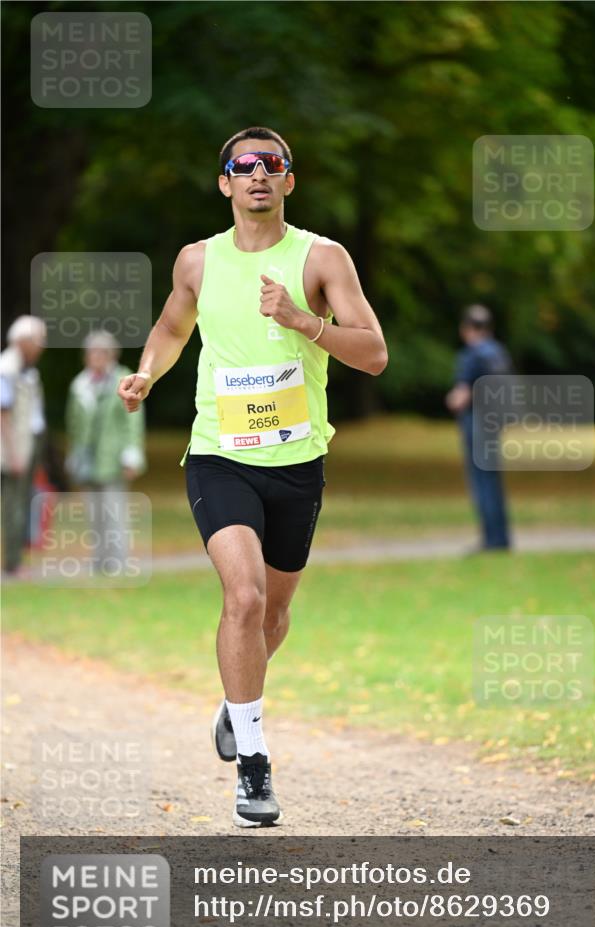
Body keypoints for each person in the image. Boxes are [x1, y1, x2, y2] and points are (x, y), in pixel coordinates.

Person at [118, 126, 387, 827]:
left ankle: (236, 706)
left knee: (272, 613)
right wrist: (147, 372)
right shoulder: (197, 262)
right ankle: (255, 766)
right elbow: (173, 329)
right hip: (219, 455)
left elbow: (376, 355)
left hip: (297, 462)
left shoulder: (322, 257)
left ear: (289, 181)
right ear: (225, 183)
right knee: (243, 596)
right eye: (244, 166)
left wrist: (305, 321)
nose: (259, 174)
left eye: (273, 164)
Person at [66, 330, 146, 574]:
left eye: (101, 352)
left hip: (113, 458)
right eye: (91, 352)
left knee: (114, 512)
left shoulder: (123, 380)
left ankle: (117, 562)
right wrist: (74, 455)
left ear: (111, 354)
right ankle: (99, 560)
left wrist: (132, 454)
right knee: (94, 513)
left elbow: (133, 421)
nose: (95, 357)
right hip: (87, 460)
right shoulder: (80, 384)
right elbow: (74, 424)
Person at [445, 304, 512, 552]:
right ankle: (501, 538)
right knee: (493, 480)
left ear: (466, 329)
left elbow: (460, 396)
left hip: (476, 422)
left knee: (481, 482)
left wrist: (451, 400)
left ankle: (490, 541)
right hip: (495, 423)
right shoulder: (499, 353)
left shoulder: (472, 355)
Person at [0, 315, 47, 575]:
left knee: (22, 503)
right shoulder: (7, 368)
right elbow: (2, 415)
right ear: (23, 341)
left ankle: (16, 559)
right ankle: (12, 564)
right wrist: (14, 454)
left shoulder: (26, 369)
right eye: (39, 340)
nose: (42, 346)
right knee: (13, 505)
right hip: (12, 449)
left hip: (26, 445)